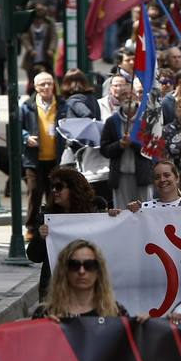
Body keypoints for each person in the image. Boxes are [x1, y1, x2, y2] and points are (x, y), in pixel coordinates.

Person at [27, 167, 106, 299]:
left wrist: (115, 216)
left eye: (59, 187)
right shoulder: (47, 217)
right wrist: (40, 237)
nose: (54, 191)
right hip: (56, 290)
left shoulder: (96, 212)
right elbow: (33, 256)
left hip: (90, 289)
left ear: (74, 189)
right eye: (52, 187)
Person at [19, 71, 62, 231]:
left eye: (49, 83)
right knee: (34, 194)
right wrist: (25, 138)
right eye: (42, 84)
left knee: (55, 196)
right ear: (36, 87)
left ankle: (53, 228)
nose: (46, 87)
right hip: (34, 159)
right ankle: (30, 228)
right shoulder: (27, 107)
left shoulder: (61, 105)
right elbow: (18, 129)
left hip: (56, 160)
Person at [100, 82, 154, 207]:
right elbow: (104, 149)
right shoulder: (112, 121)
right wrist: (119, 145)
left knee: (145, 210)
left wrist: (133, 143)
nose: (128, 97)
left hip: (142, 176)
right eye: (124, 94)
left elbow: (152, 148)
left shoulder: (146, 119)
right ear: (119, 99)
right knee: (122, 211)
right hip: (120, 177)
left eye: (131, 94)